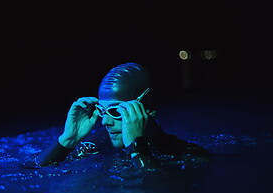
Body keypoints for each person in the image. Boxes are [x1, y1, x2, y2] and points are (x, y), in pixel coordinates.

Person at [31, 62, 211, 170]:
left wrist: (137, 149)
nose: (106, 122)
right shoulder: (99, 145)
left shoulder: (190, 156)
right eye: (102, 111)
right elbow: (34, 170)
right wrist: (67, 140)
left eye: (116, 111)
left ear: (148, 109)